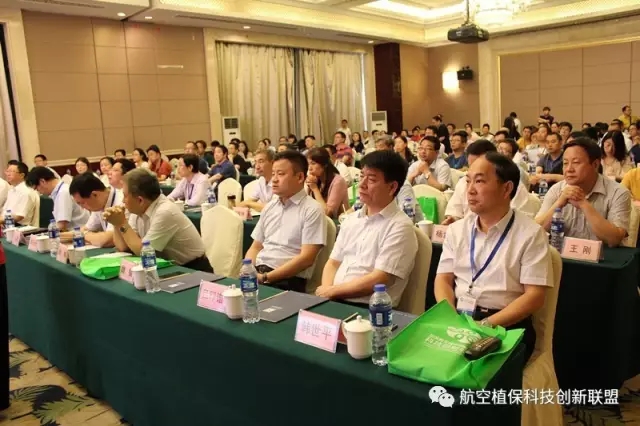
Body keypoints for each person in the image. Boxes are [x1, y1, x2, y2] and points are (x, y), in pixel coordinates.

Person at [435, 152, 550, 364]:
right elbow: (443, 279)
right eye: (468, 181)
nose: (470, 190)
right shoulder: (457, 230)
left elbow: (535, 296)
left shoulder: (531, 234)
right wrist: (450, 317)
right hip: (458, 318)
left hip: (505, 324)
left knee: (468, 369)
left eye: (479, 181)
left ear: (506, 189)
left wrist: (485, 325)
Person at [315, 150, 417, 305]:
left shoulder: (400, 226)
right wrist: (327, 292)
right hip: (334, 299)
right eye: (362, 176)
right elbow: (333, 262)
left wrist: (331, 292)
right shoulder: (351, 220)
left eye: (371, 179)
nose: (361, 185)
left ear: (392, 187)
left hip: (370, 309)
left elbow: (379, 278)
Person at [245, 150, 326, 292]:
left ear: (300, 177)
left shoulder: (312, 209)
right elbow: (256, 247)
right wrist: (248, 270)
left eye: (281, 174)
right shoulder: (270, 206)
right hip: (259, 273)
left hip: (287, 280)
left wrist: (266, 277)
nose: (274, 179)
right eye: (273, 174)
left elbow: (307, 258)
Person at [104, 169, 210, 269]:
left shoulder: (165, 211)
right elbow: (123, 247)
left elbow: (144, 252)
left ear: (140, 200)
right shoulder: (136, 211)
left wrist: (122, 223)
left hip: (193, 268)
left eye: (125, 196)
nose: (123, 201)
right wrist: (116, 223)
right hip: (166, 266)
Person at [536, 137, 630, 247]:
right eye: (565, 163)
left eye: (576, 163)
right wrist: (559, 203)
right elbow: (536, 231)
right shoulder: (557, 190)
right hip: (562, 255)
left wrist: (583, 204)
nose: (569, 169)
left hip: (604, 257)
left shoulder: (618, 193)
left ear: (595, 165)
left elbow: (614, 239)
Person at [442, 140, 535, 224]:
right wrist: (453, 220)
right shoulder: (463, 182)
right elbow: (454, 211)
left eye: (479, 180)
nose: (470, 190)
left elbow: (522, 222)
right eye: (471, 166)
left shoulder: (512, 187)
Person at [26, 166, 89, 231]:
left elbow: (61, 225)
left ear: (43, 181)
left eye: (36, 188)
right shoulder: (59, 190)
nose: (38, 192)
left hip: (78, 234)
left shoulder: (63, 192)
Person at [69, 173, 123, 248]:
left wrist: (83, 234)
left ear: (94, 194)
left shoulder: (121, 201)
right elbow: (86, 229)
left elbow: (108, 240)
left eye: (82, 203)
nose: (82, 208)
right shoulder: (98, 205)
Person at [305, 148, 349, 219]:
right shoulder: (316, 179)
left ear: (324, 164)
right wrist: (309, 188)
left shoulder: (338, 181)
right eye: (308, 164)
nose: (309, 168)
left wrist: (314, 188)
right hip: (318, 219)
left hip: (338, 221)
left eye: (313, 163)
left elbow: (327, 213)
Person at [1, 161, 36, 226]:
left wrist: (1, 221)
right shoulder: (12, 190)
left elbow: (19, 216)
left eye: (11, 171)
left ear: (22, 175)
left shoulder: (25, 192)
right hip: (7, 224)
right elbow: (5, 213)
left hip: (19, 227)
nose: (8, 174)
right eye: (7, 171)